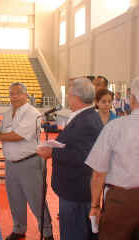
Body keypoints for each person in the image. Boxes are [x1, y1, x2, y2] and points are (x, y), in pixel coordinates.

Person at [0, 82, 54, 240]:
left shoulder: (32, 113)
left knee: (36, 200)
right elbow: (0, 130)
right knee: (15, 199)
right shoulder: (9, 112)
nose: (13, 97)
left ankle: (47, 233)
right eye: (11, 94)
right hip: (11, 163)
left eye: (17, 93)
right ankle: (19, 229)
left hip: (30, 162)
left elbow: (18, 135)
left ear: (25, 95)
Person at [37, 77, 103, 240]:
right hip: (77, 188)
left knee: (74, 233)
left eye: (70, 94)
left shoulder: (86, 121)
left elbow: (83, 156)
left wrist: (52, 152)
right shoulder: (86, 116)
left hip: (76, 191)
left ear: (76, 97)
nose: (68, 97)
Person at [85, 76, 139, 240]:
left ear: (132, 99)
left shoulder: (116, 127)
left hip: (122, 202)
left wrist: (95, 205)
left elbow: (98, 173)